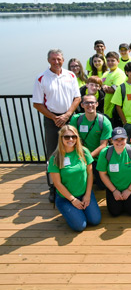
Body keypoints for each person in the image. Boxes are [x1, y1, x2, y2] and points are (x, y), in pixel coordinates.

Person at [32, 49, 81, 202]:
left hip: (70, 119)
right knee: (52, 156)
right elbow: (37, 104)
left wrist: (67, 115)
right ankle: (53, 188)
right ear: (48, 60)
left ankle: (74, 184)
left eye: (59, 59)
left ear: (62, 59)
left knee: (74, 151)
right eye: (53, 59)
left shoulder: (70, 75)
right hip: (51, 121)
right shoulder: (41, 78)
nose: (56, 62)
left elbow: (77, 98)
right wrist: (55, 118)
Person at [47, 125, 101, 232]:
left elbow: (90, 174)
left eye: (73, 136)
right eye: (67, 137)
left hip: (84, 194)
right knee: (80, 226)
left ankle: (77, 211)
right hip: (66, 198)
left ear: (77, 138)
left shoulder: (84, 152)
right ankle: (69, 210)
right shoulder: (55, 158)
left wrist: (88, 195)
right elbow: (57, 184)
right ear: (61, 138)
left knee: (95, 220)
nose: (70, 139)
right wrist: (73, 200)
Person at [97, 127, 131, 216]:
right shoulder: (105, 152)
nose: (119, 142)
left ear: (127, 139)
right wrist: (114, 190)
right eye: (116, 139)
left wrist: (129, 190)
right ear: (111, 140)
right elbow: (102, 174)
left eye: (122, 139)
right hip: (114, 186)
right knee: (114, 213)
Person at [69, 94, 113, 188]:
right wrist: (81, 156)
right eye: (86, 103)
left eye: (92, 102)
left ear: (97, 104)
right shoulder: (76, 119)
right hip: (79, 155)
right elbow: (72, 140)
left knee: (102, 186)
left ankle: (94, 176)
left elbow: (103, 145)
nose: (90, 105)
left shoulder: (104, 122)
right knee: (77, 184)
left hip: (97, 157)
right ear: (82, 105)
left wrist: (88, 158)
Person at [101, 51, 126, 123]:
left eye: (112, 61)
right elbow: (100, 86)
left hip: (115, 110)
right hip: (106, 108)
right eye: (108, 61)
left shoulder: (120, 73)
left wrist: (104, 87)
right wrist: (104, 86)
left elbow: (113, 90)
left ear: (118, 61)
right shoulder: (105, 73)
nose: (110, 63)